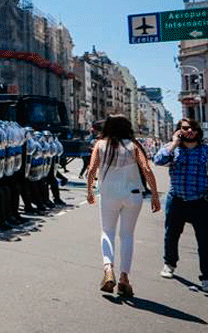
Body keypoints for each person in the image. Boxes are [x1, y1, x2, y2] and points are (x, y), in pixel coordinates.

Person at [85, 115, 160, 297]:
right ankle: (124, 277)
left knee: (107, 232)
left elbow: (92, 169)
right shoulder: (134, 146)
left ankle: (108, 269)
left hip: (109, 195)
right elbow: (147, 170)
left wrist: (89, 191)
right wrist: (155, 194)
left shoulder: (101, 145)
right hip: (133, 194)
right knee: (127, 235)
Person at [153, 119, 208, 291]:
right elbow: (158, 160)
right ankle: (169, 264)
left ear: (198, 132)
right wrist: (175, 143)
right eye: (185, 128)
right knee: (171, 234)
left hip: (200, 201)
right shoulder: (172, 148)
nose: (190, 130)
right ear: (179, 131)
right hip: (176, 199)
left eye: (193, 128)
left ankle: (206, 277)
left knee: (205, 240)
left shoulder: (205, 150)